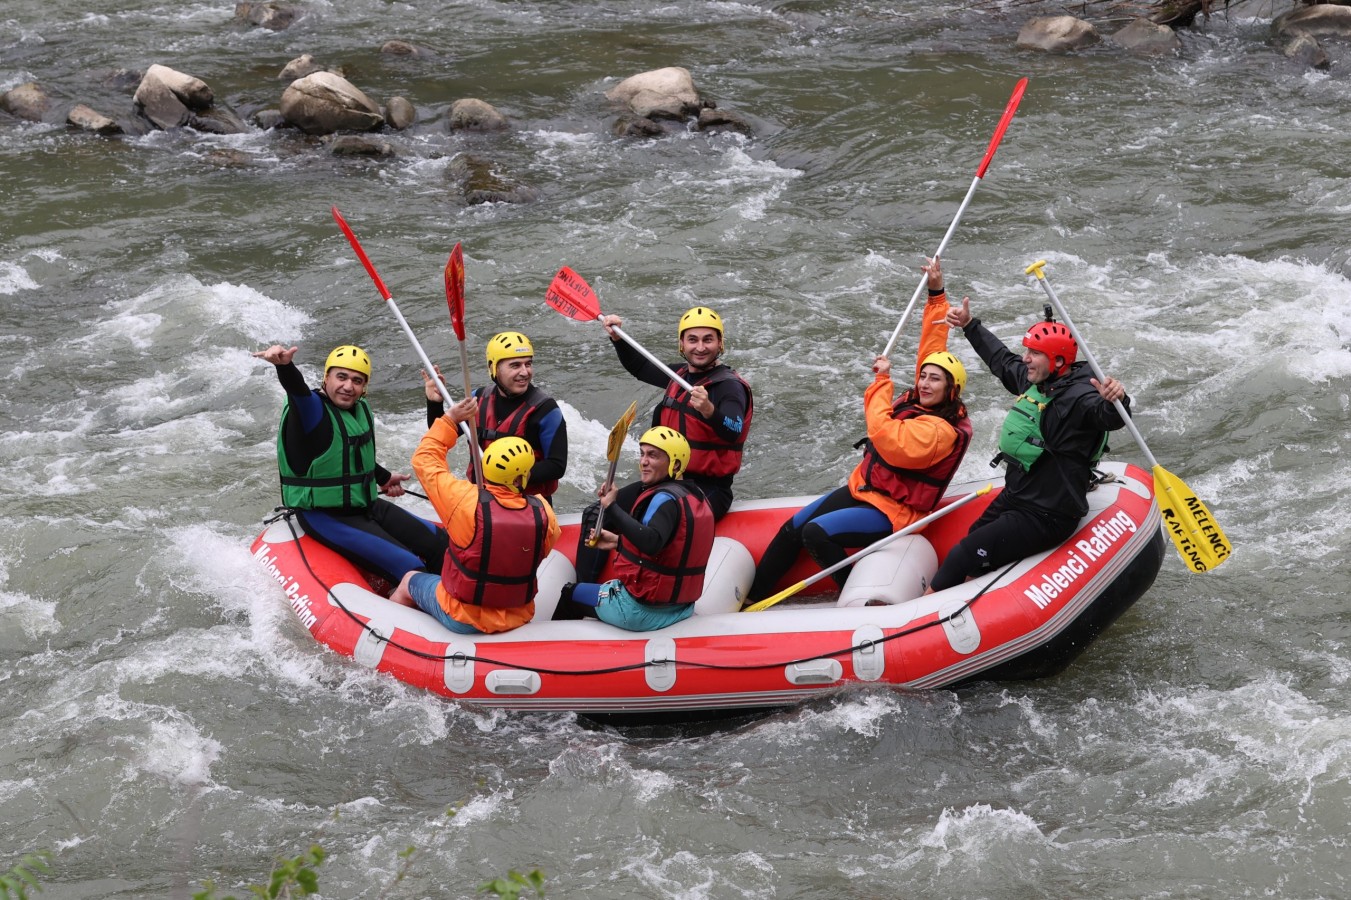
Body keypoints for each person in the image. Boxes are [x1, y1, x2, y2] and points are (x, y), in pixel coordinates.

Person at [747, 258, 972, 603]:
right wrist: (936, 293)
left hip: (894, 511)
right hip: (864, 489)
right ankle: (751, 600)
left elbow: (886, 437)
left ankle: (855, 596)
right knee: (792, 529)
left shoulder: (940, 432)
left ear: (951, 390)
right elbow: (933, 346)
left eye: (934, 379)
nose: (924, 383)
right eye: (923, 376)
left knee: (816, 532)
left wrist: (882, 381)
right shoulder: (923, 397)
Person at [926, 296, 1130, 592]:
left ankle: (919, 609)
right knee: (973, 541)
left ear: (1058, 361)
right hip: (1018, 497)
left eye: (1034, 353)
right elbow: (1002, 361)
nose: (1025, 359)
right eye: (1028, 351)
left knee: (963, 554)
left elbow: (1109, 416)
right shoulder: (1038, 382)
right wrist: (970, 326)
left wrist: (1118, 399)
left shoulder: (1081, 398)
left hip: (1049, 513)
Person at [255, 343, 448, 585]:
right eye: (341, 377)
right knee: (411, 567)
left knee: (442, 544)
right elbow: (297, 390)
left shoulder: (359, 409)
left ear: (364, 387)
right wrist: (285, 367)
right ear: (326, 378)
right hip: (325, 516)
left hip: (365, 506)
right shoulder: (311, 410)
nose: (348, 386)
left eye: (357, 381)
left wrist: (383, 477)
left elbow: (351, 455)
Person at [390, 397, 561, 634]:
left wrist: (450, 420)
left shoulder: (464, 502)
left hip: (463, 617)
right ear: (522, 478)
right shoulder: (545, 513)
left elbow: (424, 460)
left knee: (410, 580)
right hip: (517, 618)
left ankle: (397, 639)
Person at [553, 427, 715, 632]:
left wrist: (611, 507)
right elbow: (667, 549)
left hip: (640, 611)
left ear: (675, 463)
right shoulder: (697, 497)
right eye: (642, 454)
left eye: (653, 455)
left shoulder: (663, 500)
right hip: (682, 606)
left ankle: (548, 651)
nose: (643, 461)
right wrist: (617, 542)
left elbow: (651, 542)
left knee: (571, 593)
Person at [601, 306, 752, 519]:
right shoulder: (678, 374)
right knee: (599, 513)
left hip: (709, 490)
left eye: (708, 340)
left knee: (655, 521)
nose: (700, 347)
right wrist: (618, 339)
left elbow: (734, 429)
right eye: (692, 340)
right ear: (681, 344)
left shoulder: (729, 387)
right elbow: (640, 367)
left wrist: (709, 410)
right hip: (667, 481)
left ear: (720, 343)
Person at [425, 331, 568, 502]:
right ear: (494, 368)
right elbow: (440, 434)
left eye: (528, 364)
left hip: (527, 505)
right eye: (515, 365)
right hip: (482, 499)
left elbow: (557, 466)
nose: (525, 372)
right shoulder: (478, 398)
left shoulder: (546, 410)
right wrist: (434, 403)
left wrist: (515, 475)